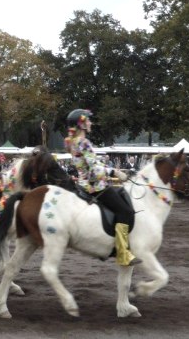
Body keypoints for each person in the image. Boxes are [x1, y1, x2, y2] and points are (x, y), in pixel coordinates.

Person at [64, 108, 141, 267]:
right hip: (96, 186)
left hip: (86, 184)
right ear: (82, 124)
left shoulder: (73, 142)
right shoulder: (83, 142)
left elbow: (94, 164)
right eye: (88, 120)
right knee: (125, 211)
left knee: (121, 194)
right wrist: (114, 172)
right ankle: (122, 253)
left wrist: (114, 171)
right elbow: (95, 170)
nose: (91, 123)